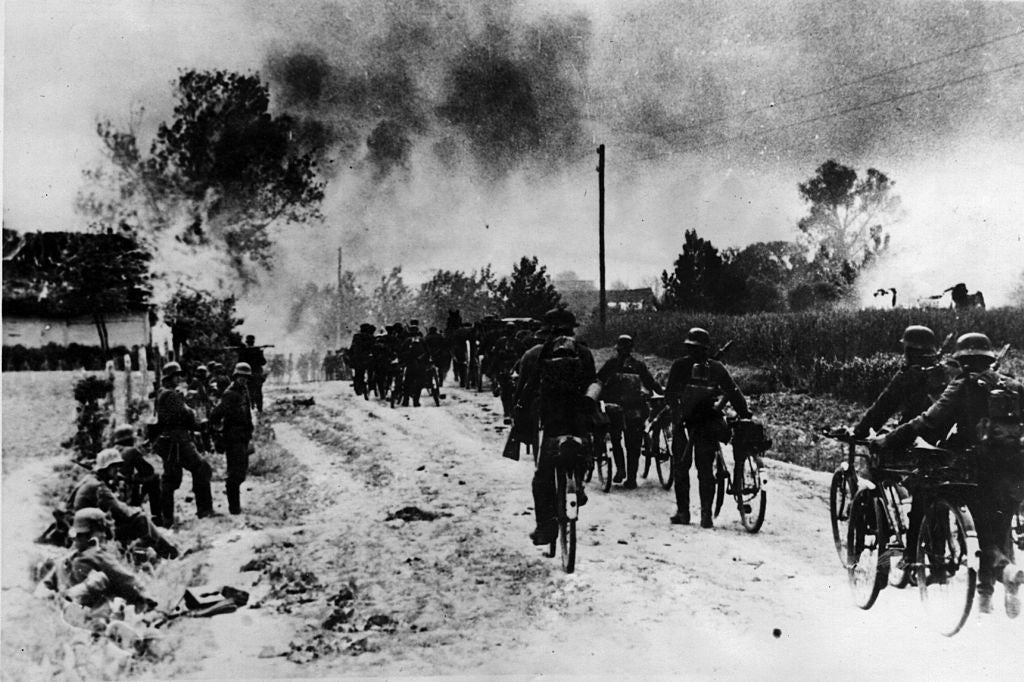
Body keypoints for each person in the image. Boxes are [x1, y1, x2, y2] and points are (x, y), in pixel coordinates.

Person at [871, 332, 1024, 616]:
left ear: (963, 360)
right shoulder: (1013, 385)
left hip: (977, 468)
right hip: (1015, 469)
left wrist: (889, 439)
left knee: (983, 529)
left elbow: (928, 422)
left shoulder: (963, 386)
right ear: (989, 359)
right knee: (998, 529)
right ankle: (987, 596)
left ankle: (1004, 572)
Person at [515, 307, 597, 545]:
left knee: (542, 477)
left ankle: (545, 527)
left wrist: (520, 419)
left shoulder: (533, 355)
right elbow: (593, 382)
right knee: (581, 452)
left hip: (549, 421)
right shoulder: (584, 353)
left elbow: (522, 393)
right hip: (577, 419)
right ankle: (578, 485)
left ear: (546, 330)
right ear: (572, 329)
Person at [664, 328, 752, 528]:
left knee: (691, 469)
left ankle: (692, 514)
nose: (696, 352)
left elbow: (670, 395)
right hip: (698, 422)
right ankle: (698, 515)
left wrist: (744, 412)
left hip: (696, 422)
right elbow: (733, 391)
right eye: (694, 349)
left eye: (697, 349)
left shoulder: (682, 366)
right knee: (694, 469)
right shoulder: (714, 367)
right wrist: (744, 412)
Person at [36, 508, 157, 612]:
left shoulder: (65, 560)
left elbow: (46, 586)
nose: (104, 536)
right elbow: (126, 578)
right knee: (101, 580)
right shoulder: (97, 556)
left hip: (66, 606)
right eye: (101, 531)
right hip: (93, 610)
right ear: (92, 534)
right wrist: (147, 597)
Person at [69, 448, 179, 559]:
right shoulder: (98, 486)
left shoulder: (89, 480)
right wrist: (136, 510)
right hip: (92, 532)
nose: (117, 470)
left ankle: (156, 550)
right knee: (141, 519)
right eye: (114, 467)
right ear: (106, 468)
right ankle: (169, 553)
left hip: (83, 529)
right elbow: (120, 510)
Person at [853, 326, 948, 438]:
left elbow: (884, 405)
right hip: (944, 438)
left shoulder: (909, 373)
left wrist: (860, 430)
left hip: (914, 435)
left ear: (909, 350)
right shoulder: (944, 371)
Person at [597, 335, 663, 489]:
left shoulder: (611, 364)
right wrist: (661, 393)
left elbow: (599, 380)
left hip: (615, 408)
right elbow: (651, 383)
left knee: (615, 437)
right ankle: (631, 478)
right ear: (631, 349)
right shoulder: (639, 365)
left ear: (618, 349)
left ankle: (620, 469)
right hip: (636, 409)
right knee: (633, 444)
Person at [153, 361, 214, 525]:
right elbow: (184, 415)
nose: (179, 378)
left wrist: (198, 425)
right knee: (202, 469)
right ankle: (205, 510)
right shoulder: (171, 395)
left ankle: (165, 518)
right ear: (170, 377)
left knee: (170, 479)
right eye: (177, 376)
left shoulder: (163, 393)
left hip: (169, 441)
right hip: (178, 441)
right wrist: (192, 413)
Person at [208, 363, 255, 515]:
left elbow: (247, 412)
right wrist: (218, 436)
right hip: (233, 437)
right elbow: (215, 415)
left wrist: (250, 430)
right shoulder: (230, 394)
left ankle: (235, 505)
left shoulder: (244, 390)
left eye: (246, 377)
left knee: (241, 472)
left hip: (243, 436)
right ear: (236, 376)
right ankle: (234, 508)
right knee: (235, 473)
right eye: (241, 376)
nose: (243, 380)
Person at [110, 423, 163, 525]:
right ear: (130, 439)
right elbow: (148, 471)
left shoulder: (111, 451)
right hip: (124, 492)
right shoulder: (131, 451)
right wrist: (135, 478)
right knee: (155, 478)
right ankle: (157, 517)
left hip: (113, 491)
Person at [236, 335, 267, 412]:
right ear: (253, 342)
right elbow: (263, 362)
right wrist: (261, 352)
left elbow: (239, 361)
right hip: (256, 374)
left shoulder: (243, 351)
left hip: (247, 374)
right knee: (258, 391)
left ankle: (251, 407)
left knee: (248, 391)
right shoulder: (257, 351)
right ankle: (259, 408)